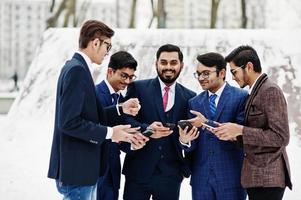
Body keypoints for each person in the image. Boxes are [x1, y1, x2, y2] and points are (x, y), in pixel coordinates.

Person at [47, 20, 146, 200]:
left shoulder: (77, 68)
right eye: (107, 46)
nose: (108, 52)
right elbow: (69, 123)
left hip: (81, 170)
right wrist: (110, 132)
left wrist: (119, 108)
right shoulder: (77, 70)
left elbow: (88, 115)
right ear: (95, 42)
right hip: (78, 170)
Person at [213, 45, 292, 200]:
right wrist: (233, 135)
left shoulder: (270, 91)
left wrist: (241, 130)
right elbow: (258, 133)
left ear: (248, 67)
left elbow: (281, 137)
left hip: (268, 180)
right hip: (257, 179)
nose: (233, 77)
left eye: (234, 71)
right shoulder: (256, 91)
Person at [122, 44, 196, 200]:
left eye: (173, 63)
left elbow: (190, 138)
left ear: (181, 65)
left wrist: (186, 142)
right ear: (156, 63)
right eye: (163, 62)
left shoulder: (190, 97)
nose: (168, 67)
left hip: (171, 176)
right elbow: (125, 119)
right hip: (138, 171)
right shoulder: (138, 88)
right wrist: (147, 130)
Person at [178, 52, 248, 200]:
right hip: (201, 180)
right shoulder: (194, 102)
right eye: (198, 74)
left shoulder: (241, 97)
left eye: (205, 73)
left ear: (222, 73)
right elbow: (192, 146)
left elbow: (240, 136)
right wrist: (185, 141)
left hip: (231, 178)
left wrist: (205, 123)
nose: (201, 78)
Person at [95, 51, 139, 200]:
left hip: (113, 174)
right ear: (110, 71)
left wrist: (133, 143)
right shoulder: (94, 93)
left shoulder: (122, 99)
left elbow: (119, 138)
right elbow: (93, 125)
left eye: (131, 77)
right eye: (123, 75)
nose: (127, 81)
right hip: (94, 172)